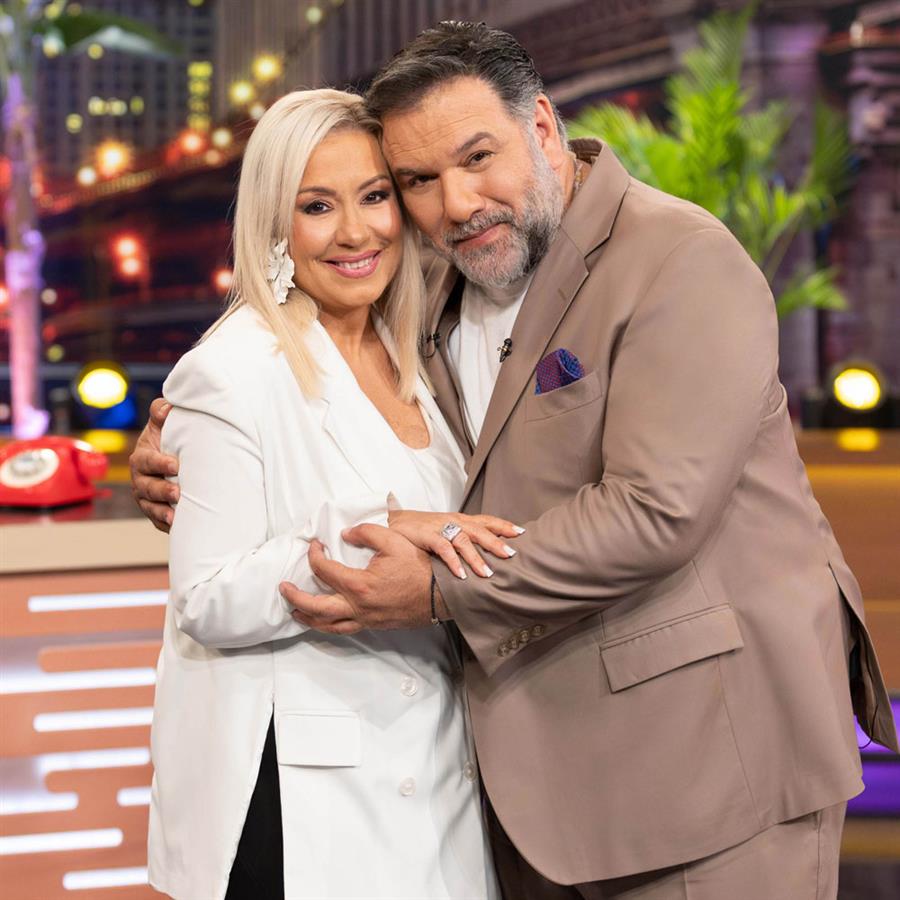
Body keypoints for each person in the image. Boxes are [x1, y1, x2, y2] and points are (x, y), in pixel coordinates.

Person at [133, 23, 898, 900]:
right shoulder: (434, 284)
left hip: (705, 775)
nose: (457, 203)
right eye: (417, 181)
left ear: (540, 127)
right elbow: (313, 412)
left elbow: (657, 510)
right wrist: (186, 444)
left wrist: (433, 587)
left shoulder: (679, 258)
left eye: (477, 158)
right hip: (527, 794)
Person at [145, 88, 506, 900]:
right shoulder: (231, 370)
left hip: (439, 773)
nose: (356, 232)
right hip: (307, 807)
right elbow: (206, 597)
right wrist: (382, 532)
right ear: (274, 224)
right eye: (317, 206)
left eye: (375, 196)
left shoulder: (420, 351)